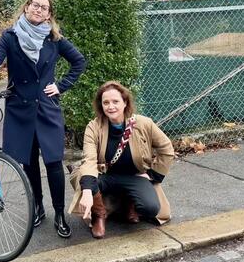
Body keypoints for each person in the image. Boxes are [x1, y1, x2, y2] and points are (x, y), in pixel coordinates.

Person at [0, 0, 86, 238]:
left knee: (53, 162)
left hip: (46, 108)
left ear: (49, 15)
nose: (39, 10)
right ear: (26, 8)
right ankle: (38, 209)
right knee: (29, 162)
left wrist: (61, 86)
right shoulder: (10, 37)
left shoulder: (54, 39)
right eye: (35, 5)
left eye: (44, 8)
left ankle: (60, 215)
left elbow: (79, 62)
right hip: (20, 109)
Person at [68, 81, 174, 238]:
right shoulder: (94, 127)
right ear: (101, 106)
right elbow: (89, 160)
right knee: (82, 177)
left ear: (125, 102)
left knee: (151, 208)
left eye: (115, 101)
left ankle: (129, 202)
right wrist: (87, 192)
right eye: (106, 102)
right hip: (105, 176)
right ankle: (99, 215)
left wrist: (153, 174)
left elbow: (166, 148)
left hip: (134, 176)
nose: (110, 106)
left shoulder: (144, 123)